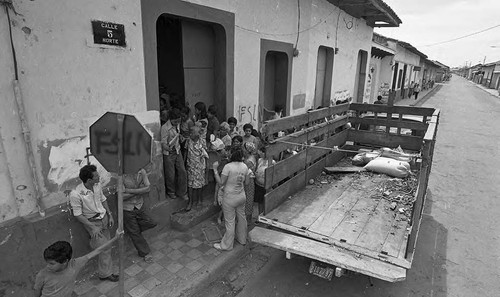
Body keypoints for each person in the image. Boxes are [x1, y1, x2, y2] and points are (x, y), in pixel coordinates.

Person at [69, 165, 118, 282]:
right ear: (89, 180)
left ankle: (104, 270)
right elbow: (78, 215)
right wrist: (92, 228)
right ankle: (106, 274)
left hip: (104, 218)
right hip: (92, 223)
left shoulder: (97, 186)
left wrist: (110, 215)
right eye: (96, 176)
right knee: (104, 248)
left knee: (107, 245)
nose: (99, 177)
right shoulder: (76, 194)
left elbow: (103, 199)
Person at [34, 240, 115, 297]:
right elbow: (37, 291)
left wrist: (116, 236)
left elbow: (97, 251)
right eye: (47, 262)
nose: (47, 266)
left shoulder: (75, 264)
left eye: (51, 263)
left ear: (65, 261)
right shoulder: (42, 274)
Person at [212, 148, 250, 250]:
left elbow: (221, 183)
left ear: (232, 154)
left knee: (230, 222)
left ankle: (227, 245)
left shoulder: (228, 167)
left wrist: (215, 170)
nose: (227, 153)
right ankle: (242, 239)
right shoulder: (245, 166)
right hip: (241, 196)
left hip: (229, 198)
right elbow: (246, 183)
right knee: (242, 218)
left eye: (229, 152)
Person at [122, 168, 157, 263]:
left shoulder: (142, 172)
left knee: (151, 222)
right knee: (135, 232)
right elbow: (121, 196)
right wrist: (140, 190)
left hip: (139, 205)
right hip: (127, 208)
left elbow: (148, 188)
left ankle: (133, 231)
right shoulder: (122, 175)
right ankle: (145, 253)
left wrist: (129, 190)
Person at [161, 108, 188, 200]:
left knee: (182, 171)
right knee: (170, 174)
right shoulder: (165, 128)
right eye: (175, 122)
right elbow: (163, 142)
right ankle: (171, 191)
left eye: (178, 121)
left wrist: (180, 137)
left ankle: (182, 192)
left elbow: (178, 134)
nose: (177, 123)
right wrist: (166, 147)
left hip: (177, 150)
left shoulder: (178, 124)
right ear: (171, 119)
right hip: (169, 152)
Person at [186, 126, 209, 210]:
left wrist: (206, 168)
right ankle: (190, 202)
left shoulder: (202, 142)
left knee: (200, 185)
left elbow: (206, 155)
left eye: (191, 133)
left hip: (200, 166)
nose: (190, 135)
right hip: (191, 165)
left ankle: (199, 200)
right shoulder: (188, 141)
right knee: (190, 185)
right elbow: (185, 152)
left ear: (196, 135)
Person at [254, 146, 275, 216]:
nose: (260, 154)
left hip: (267, 185)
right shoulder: (259, 160)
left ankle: (267, 215)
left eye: (261, 153)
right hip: (259, 185)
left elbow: (274, 173)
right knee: (260, 202)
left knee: (267, 201)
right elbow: (257, 169)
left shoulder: (272, 162)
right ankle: (259, 215)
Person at [243, 142, 257, 224]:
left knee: (248, 198)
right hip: (247, 179)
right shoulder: (248, 157)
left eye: (244, 148)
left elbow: (244, 170)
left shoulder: (249, 160)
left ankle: (248, 219)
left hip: (249, 180)